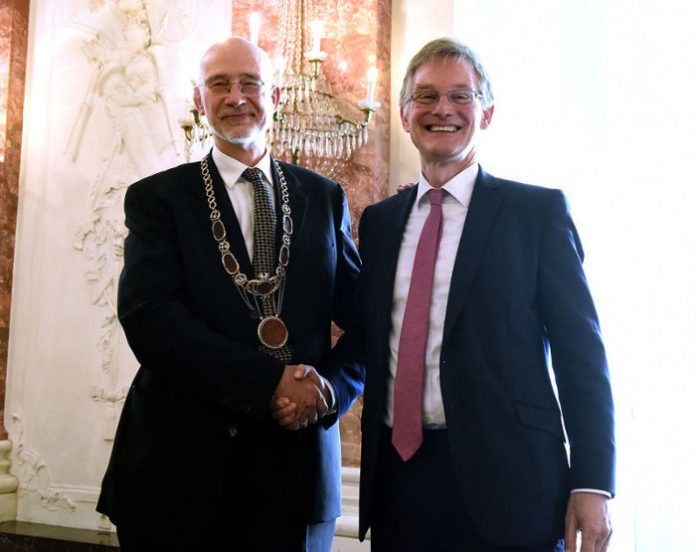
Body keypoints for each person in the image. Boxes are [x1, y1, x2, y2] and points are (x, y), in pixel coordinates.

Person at [97, 37, 364, 552]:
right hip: (180, 477)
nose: (236, 97)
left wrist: (329, 389)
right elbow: (150, 320)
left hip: (298, 474)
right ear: (201, 100)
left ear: (277, 96)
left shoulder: (325, 197)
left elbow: (367, 322)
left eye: (250, 84)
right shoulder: (158, 199)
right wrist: (269, 382)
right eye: (219, 85)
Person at [348, 37, 614, 551]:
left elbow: (582, 355)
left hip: (512, 488)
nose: (441, 109)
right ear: (405, 116)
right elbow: (366, 337)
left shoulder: (535, 215)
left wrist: (592, 481)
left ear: (485, 113)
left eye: (460, 96)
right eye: (425, 96)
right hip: (401, 486)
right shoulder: (380, 224)